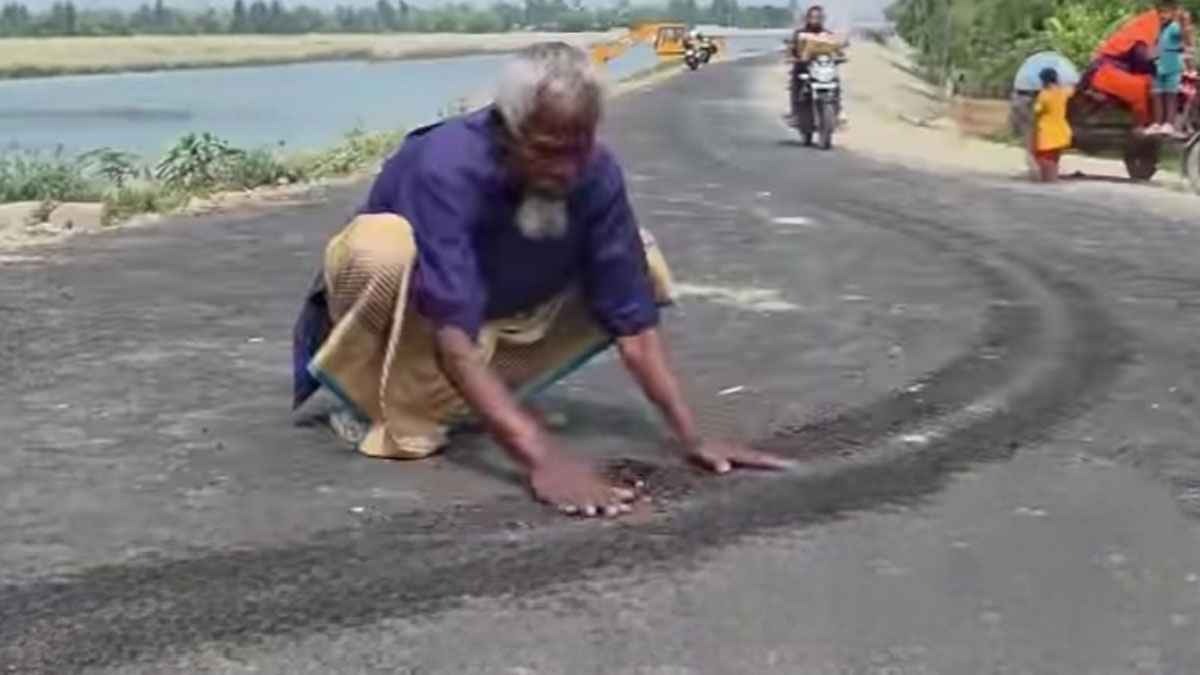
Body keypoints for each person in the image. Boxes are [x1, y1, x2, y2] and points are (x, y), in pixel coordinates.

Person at [292, 42, 792, 518]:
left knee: (641, 258)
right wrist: (541, 458)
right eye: (547, 152)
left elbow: (634, 327)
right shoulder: (447, 165)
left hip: (487, 318)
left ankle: (464, 401)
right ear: (507, 131)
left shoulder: (596, 173)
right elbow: (453, 335)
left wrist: (693, 436)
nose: (564, 171)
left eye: (578, 150)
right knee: (382, 248)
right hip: (414, 323)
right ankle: (375, 399)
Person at [1086, 0, 1180, 133]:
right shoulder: (1147, 26)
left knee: (1152, 82)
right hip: (1106, 72)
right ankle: (1141, 126)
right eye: (1166, 12)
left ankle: (1157, 123)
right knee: (1140, 88)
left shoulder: (1162, 26)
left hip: (1123, 69)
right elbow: (1141, 56)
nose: (1167, 16)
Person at [1151, 6, 1194, 135]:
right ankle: (1157, 123)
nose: (1162, 16)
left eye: (1165, 13)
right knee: (1157, 94)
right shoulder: (1157, 29)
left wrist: (1184, 23)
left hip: (1172, 64)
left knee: (1170, 94)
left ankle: (1168, 124)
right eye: (1161, 13)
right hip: (1157, 64)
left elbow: (1184, 37)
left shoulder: (1174, 27)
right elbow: (1153, 46)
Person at [1033, 67, 1073, 182]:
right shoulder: (1064, 92)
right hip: (1062, 130)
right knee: (1054, 158)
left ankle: (1049, 179)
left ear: (1044, 80)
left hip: (1047, 132)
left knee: (1044, 158)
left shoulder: (1044, 95)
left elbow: (1037, 111)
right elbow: (1073, 89)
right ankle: (1053, 178)